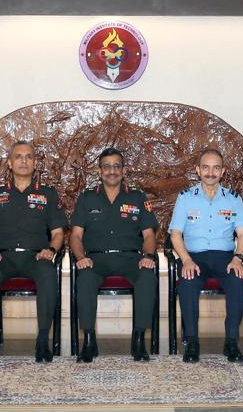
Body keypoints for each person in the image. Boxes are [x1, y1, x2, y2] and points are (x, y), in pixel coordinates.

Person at [0, 141, 67, 364]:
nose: (23, 161)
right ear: (9, 163)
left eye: (28, 157)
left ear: (35, 163)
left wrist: (51, 250)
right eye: (18, 156)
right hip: (3, 257)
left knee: (48, 272)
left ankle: (43, 340)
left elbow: (58, 233)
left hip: (35, 257)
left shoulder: (48, 194)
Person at [70, 147, 159, 363]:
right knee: (85, 278)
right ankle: (89, 341)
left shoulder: (137, 197)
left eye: (116, 166)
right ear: (99, 171)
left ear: (124, 170)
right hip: (96, 259)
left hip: (130, 259)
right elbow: (75, 236)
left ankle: (139, 340)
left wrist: (148, 256)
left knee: (147, 277)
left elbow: (149, 235)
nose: (112, 171)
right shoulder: (87, 198)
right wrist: (81, 258)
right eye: (107, 167)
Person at [169, 148, 243, 363]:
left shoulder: (233, 199)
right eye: (206, 167)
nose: (211, 173)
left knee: (238, 280)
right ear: (198, 170)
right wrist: (186, 260)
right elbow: (175, 234)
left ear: (222, 171)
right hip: (194, 257)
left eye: (216, 168)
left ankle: (231, 341)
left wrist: (238, 258)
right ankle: (192, 341)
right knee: (188, 281)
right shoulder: (185, 198)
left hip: (225, 258)